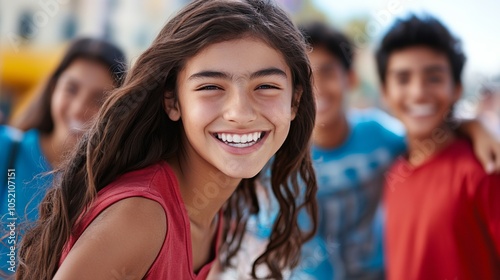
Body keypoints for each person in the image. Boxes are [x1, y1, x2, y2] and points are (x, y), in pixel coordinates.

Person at [16, 0, 319, 279]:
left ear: (295, 101)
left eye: (266, 86)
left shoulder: (216, 215)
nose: (240, 113)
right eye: (211, 87)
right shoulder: (142, 216)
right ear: (173, 102)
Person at [233, 21, 500, 280]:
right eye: (304, 77)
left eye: (327, 72)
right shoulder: (272, 151)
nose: (318, 88)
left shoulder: (380, 137)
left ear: (350, 78)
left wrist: (475, 125)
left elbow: (425, 135)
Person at [378, 14, 500, 279]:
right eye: (402, 78)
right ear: (385, 92)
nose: (419, 92)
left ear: (456, 88)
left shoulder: (484, 168)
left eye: (434, 78)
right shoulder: (393, 171)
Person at [0, 37, 126, 277]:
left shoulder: (111, 186)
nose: (79, 108)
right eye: (71, 88)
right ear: (53, 88)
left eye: (99, 99)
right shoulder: (6, 148)